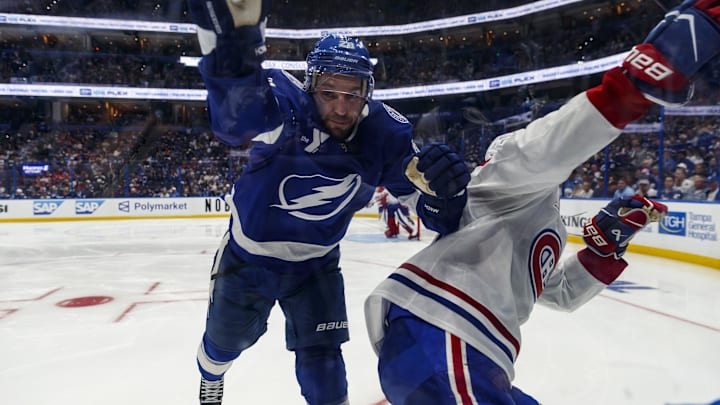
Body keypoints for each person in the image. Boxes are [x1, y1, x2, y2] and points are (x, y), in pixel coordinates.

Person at [364, 1, 720, 403]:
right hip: (447, 331)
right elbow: (544, 148)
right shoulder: (506, 173)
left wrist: (605, 249)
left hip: (455, 346)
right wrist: (634, 84)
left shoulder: (538, 218)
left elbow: (560, 292)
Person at [186, 1, 421, 404]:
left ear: (368, 91)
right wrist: (234, 64)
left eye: (353, 93)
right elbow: (235, 123)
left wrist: (445, 188)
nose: (342, 106)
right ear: (311, 85)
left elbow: (427, 200)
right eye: (329, 92)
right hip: (250, 258)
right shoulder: (287, 111)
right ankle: (212, 375)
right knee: (224, 344)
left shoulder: (383, 134)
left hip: (316, 264)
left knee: (326, 373)